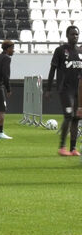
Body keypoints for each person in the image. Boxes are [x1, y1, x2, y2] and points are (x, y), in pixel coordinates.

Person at [46, 25, 82, 156]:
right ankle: (62, 147)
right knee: (68, 116)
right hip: (65, 89)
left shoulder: (80, 51)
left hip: (77, 91)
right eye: (72, 34)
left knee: (77, 118)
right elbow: (52, 70)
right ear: (67, 36)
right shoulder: (60, 50)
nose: (75, 36)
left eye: (77, 34)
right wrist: (48, 89)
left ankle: (73, 148)